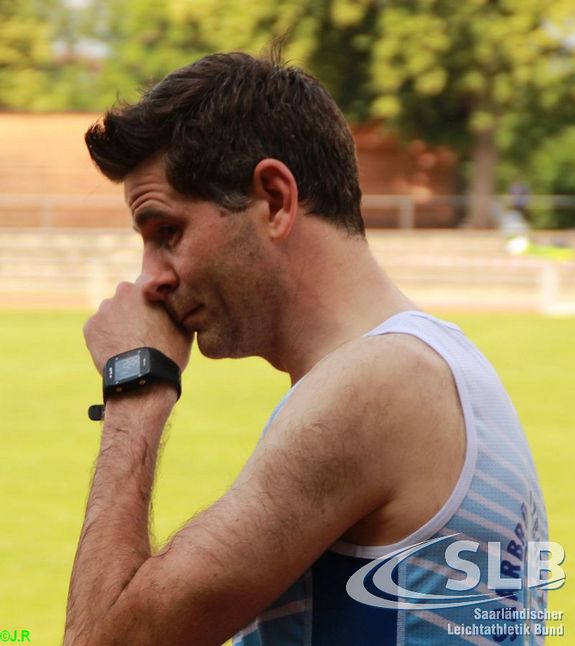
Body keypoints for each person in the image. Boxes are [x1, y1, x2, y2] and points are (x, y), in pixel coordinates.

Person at [64, 51, 549, 645]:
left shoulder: (377, 387)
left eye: (168, 232)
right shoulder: (439, 362)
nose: (150, 280)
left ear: (274, 199)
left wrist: (136, 384)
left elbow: (104, 639)